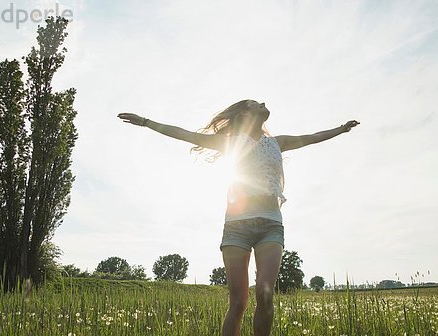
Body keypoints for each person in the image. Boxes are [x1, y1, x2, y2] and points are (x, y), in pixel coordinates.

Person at [118, 99, 359, 336]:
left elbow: (311, 137)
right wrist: (146, 122)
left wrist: (341, 129)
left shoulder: (277, 142)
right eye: (256, 102)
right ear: (244, 114)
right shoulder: (230, 143)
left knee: (265, 293)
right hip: (237, 228)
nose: (263, 102)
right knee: (238, 303)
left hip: (271, 225)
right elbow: (186, 134)